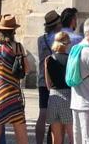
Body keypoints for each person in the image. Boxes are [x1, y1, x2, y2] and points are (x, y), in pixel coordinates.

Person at [0, 14, 28, 144]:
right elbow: (26, 68)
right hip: (13, 91)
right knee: (20, 130)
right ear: (13, 31)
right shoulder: (18, 47)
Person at [34, 10, 61, 144]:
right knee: (55, 116)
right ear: (57, 24)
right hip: (55, 81)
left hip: (42, 80)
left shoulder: (40, 39)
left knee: (42, 114)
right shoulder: (58, 40)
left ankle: (39, 142)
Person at [45, 31, 73, 144]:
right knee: (72, 135)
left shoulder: (48, 59)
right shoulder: (71, 58)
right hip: (68, 96)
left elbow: (48, 84)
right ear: (67, 44)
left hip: (53, 97)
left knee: (56, 137)